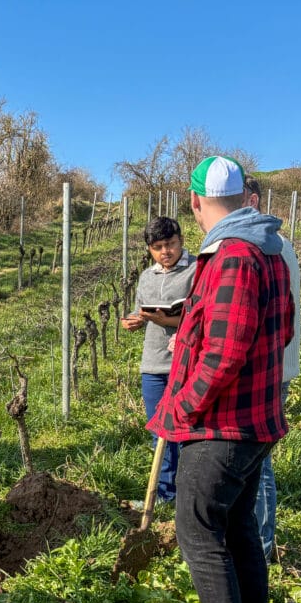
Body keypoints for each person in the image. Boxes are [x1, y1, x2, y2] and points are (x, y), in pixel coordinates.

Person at [147, 156, 293, 603]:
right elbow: (280, 334)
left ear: (194, 202)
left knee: (198, 532)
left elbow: (225, 351)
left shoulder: (231, 256)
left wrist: (182, 405)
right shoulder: (267, 249)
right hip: (255, 420)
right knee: (237, 534)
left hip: (224, 425)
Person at [245, 176, 301, 562]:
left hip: (266, 370)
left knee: (257, 462)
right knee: (256, 459)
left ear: (251, 199)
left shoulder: (267, 246)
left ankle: (261, 548)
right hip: (274, 366)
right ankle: (255, 543)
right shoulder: (276, 243)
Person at [121, 216, 195, 505]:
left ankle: (189, 493)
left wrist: (171, 320)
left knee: (188, 431)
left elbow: (204, 316)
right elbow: (142, 311)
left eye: (171, 244)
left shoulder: (197, 270)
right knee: (159, 430)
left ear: (181, 240)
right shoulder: (146, 277)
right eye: (158, 247)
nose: (165, 251)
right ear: (149, 249)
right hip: (153, 363)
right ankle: (164, 494)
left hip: (186, 363)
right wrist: (135, 320)